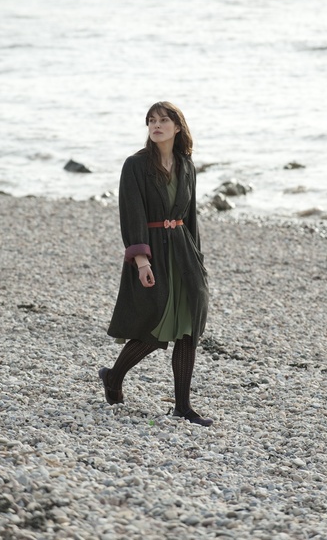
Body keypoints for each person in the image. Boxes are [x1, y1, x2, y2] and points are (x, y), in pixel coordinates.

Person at [99, 101, 213, 426]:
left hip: (184, 254)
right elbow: (131, 215)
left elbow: (190, 218)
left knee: (188, 328)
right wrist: (141, 261)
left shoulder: (186, 165)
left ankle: (183, 407)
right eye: (151, 120)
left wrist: (198, 260)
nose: (156, 125)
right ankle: (113, 376)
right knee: (153, 325)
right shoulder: (135, 165)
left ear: (177, 127)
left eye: (163, 120)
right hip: (153, 253)